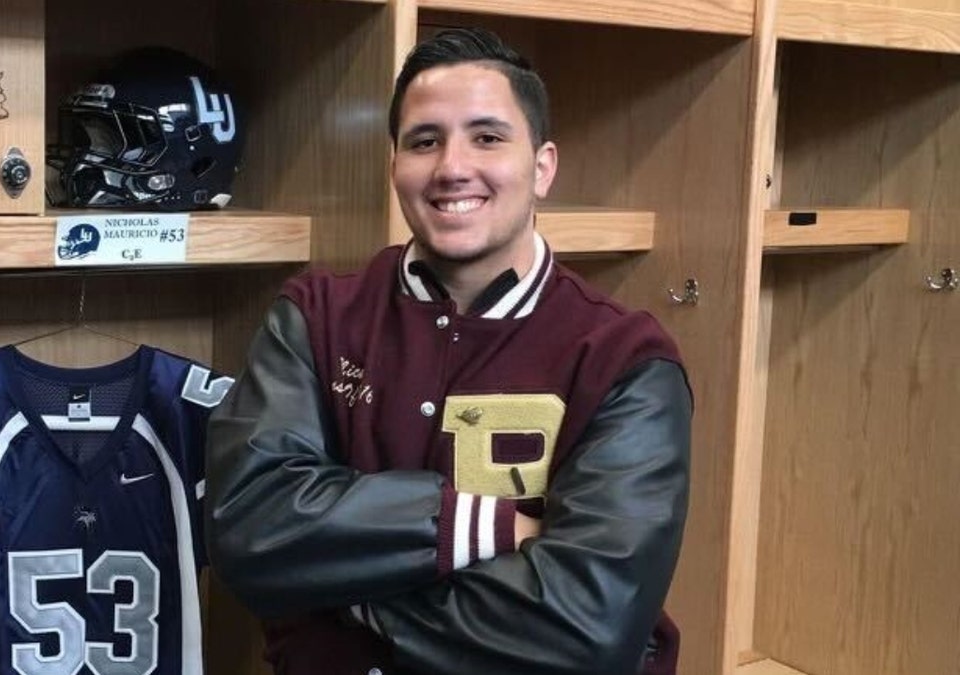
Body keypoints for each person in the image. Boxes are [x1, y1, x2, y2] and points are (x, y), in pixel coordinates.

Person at [204, 27, 692, 675]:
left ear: (542, 166)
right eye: (424, 141)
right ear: (395, 165)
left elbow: (588, 628)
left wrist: (345, 591)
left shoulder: (625, 359)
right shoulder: (315, 317)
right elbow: (248, 530)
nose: (452, 167)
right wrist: (481, 526)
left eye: (487, 137)